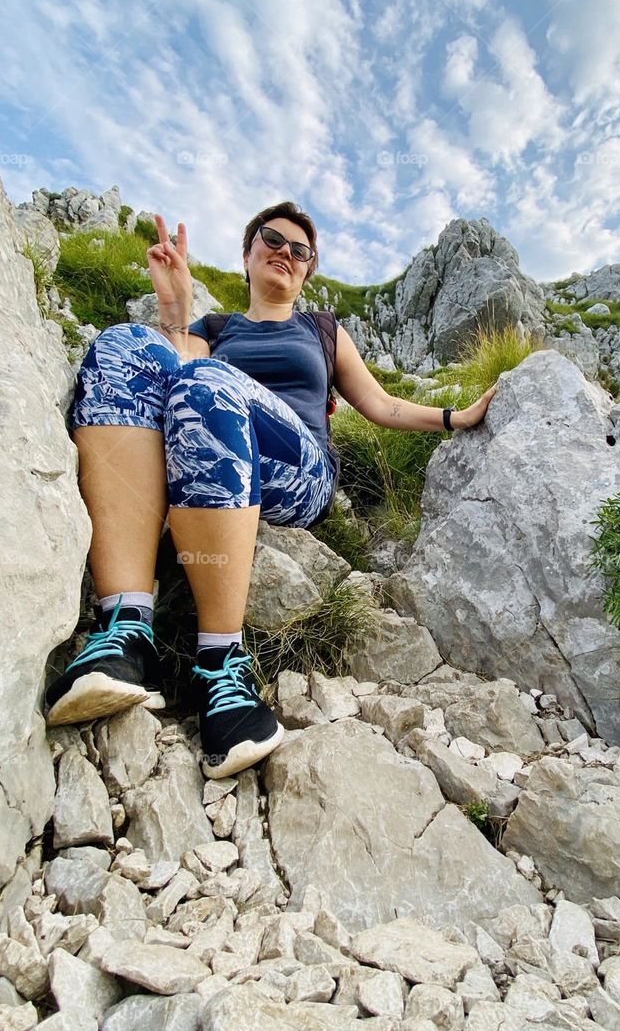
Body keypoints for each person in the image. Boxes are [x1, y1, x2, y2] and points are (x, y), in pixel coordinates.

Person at [44, 201, 498, 777]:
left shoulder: (321, 330)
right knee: (123, 347)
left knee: (208, 380)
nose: (286, 252)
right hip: (215, 441)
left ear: (307, 271)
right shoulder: (215, 330)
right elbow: (161, 381)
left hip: (297, 471)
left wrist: (455, 416)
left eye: (300, 250)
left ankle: (221, 666)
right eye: (273, 239)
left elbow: (381, 405)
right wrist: (175, 309)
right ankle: (127, 631)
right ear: (248, 253)